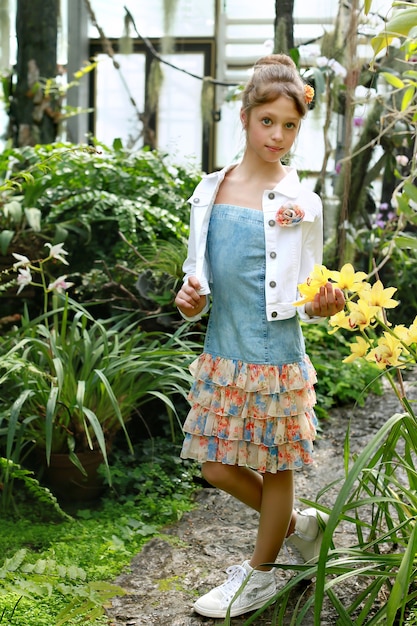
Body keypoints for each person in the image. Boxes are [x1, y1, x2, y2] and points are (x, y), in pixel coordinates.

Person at [174, 53, 345, 619]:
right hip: (223, 352)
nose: (278, 135)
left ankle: (262, 572)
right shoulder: (209, 191)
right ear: (245, 117)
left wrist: (326, 303)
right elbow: (194, 282)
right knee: (215, 467)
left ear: (301, 126)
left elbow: (311, 291)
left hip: (275, 355)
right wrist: (189, 300)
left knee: (276, 469)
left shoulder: (302, 203)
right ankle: (299, 527)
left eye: (290, 125)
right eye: (267, 121)